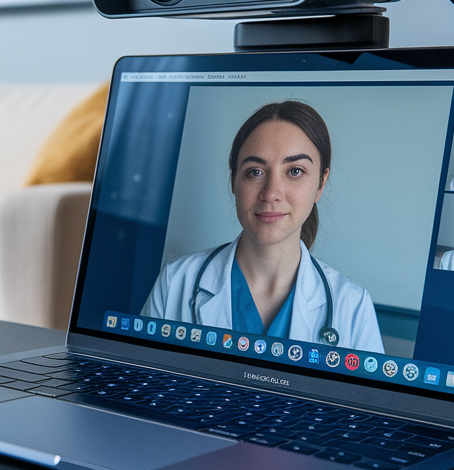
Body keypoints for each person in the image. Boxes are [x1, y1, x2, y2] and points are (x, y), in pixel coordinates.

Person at [140, 101, 385, 353]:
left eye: (295, 171)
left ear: (320, 184)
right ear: (234, 180)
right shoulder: (175, 283)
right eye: (255, 172)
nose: (271, 194)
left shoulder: (353, 307)